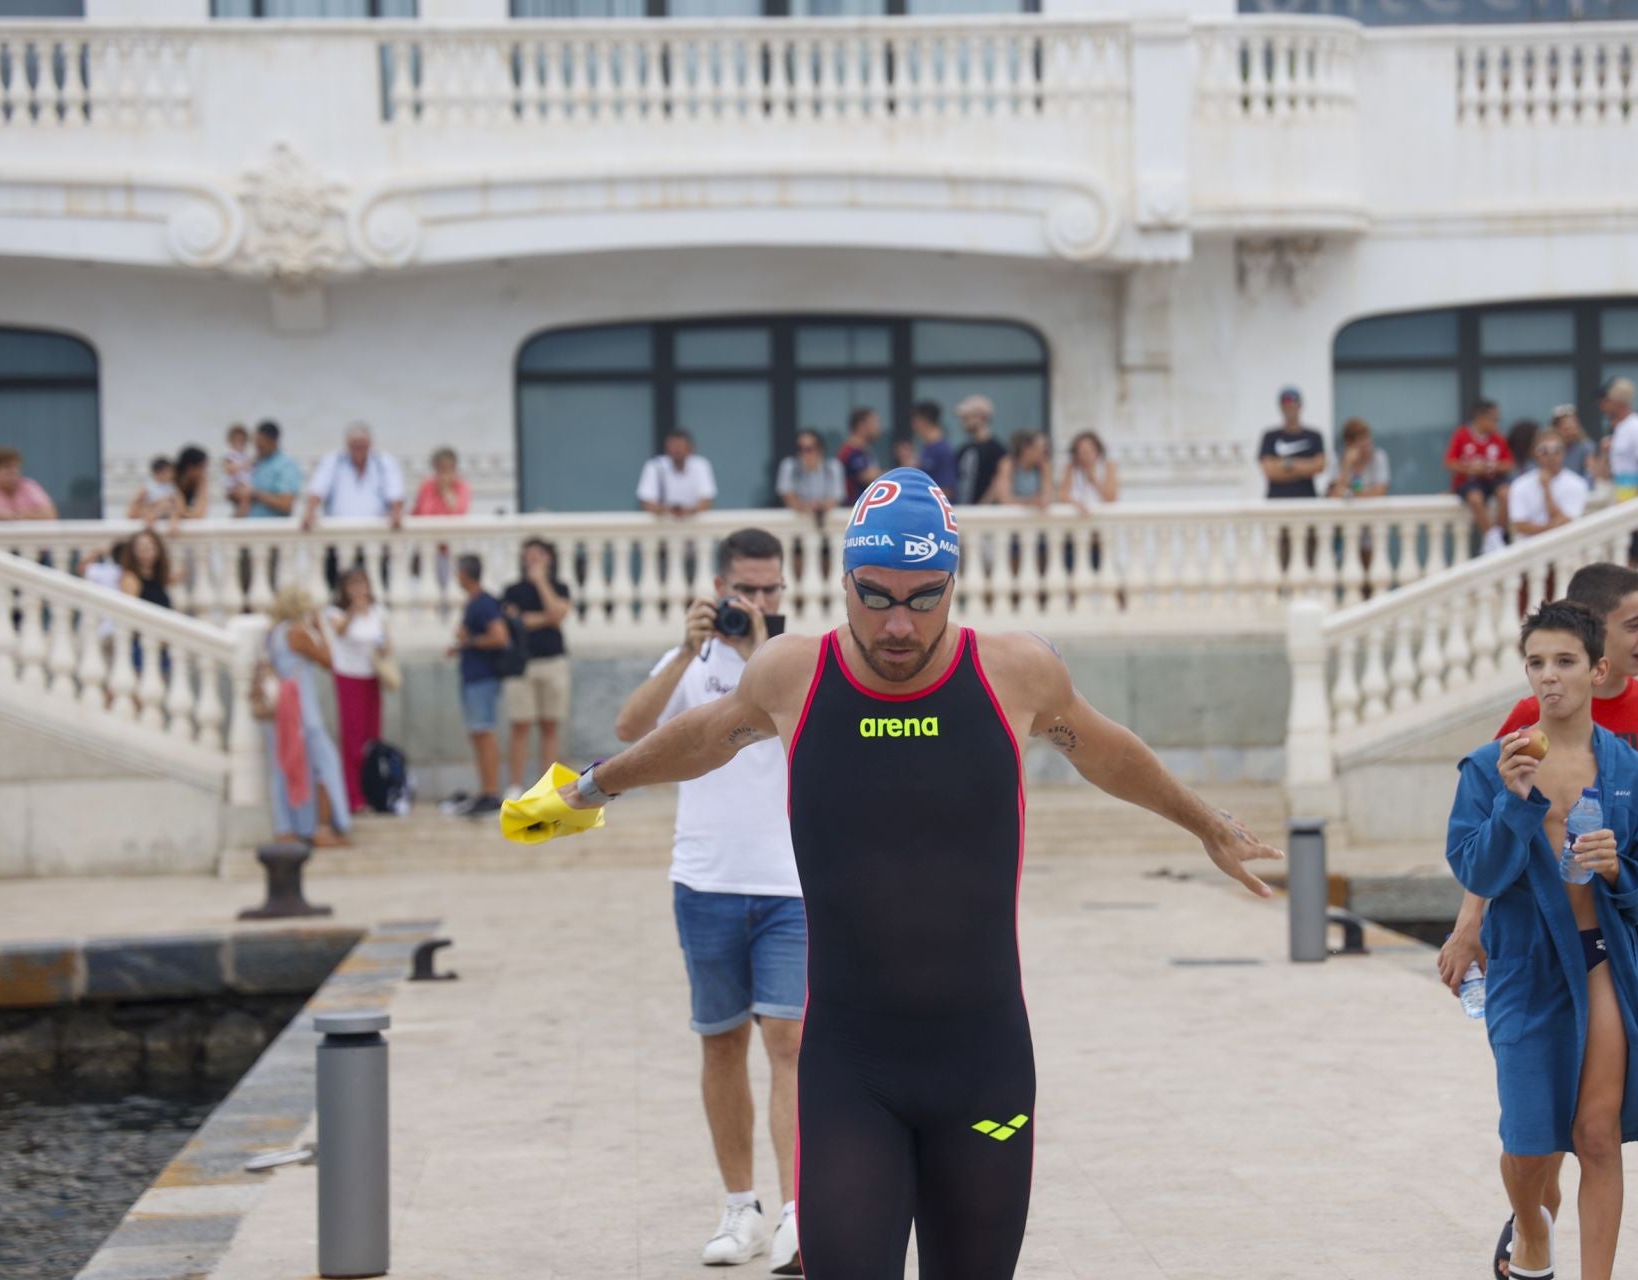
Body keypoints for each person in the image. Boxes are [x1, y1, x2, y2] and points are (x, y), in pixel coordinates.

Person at [510, 467, 1282, 1280]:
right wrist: (587, 789)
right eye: (875, 596)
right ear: (843, 581)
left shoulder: (1015, 672)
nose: (899, 624)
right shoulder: (793, 673)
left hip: (984, 1073)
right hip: (850, 1073)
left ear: (954, 583)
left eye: (924, 597)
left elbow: (1108, 752)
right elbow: (701, 738)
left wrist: (1205, 823)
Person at [1441, 564, 1638, 1280]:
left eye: (1564, 662)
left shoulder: (1636, 777)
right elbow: (1477, 871)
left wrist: (1618, 869)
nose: (1548, 677)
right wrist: (1514, 803)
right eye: (1536, 663)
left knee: (1597, 1135)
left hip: (1603, 961)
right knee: (1528, 1142)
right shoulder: (1490, 767)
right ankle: (1531, 1225)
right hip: (1526, 964)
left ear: (1597, 671)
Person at [612, 527, 804, 1272]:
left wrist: (759, 650)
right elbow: (630, 732)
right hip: (705, 879)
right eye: (744, 590)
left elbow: (813, 733)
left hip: (788, 882)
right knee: (721, 1042)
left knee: (789, 1042)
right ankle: (740, 1208)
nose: (756, 600)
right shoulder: (688, 661)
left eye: (769, 589)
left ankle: (797, 1213)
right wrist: (687, 651)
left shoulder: (794, 660)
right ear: (719, 589)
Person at [257, 584, 351, 848]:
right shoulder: (297, 633)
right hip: (303, 713)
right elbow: (329, 660)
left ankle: (287, 828)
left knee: (284, 769)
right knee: (325, 765)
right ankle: (325, 828)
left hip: (279, 712)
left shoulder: (272, 634)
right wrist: (320, 629)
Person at [501, 538, 572, 799]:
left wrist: (542, 583)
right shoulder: (512, 590)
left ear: (549, 559)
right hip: (522, 664)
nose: (532, 561)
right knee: (520, 724)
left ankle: (547, 786)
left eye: (538, 556)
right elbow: (515, 622)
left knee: (550, 724)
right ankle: (515, 785)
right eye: (528, 556)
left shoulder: (560, 587)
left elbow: (559, 613)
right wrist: (547, 618)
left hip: (553, 661)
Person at [448, 553, 511, 819]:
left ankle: (491, 791)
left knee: (484, 732)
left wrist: (470, 642)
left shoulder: (483, 602)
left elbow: (500, 637)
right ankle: (486, 789)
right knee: (478, 732)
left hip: (482, 677)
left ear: (464, 574)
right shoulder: (476, 601)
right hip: (475, 676)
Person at [324, 565, 390, 816]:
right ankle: (352, 795)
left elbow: (386, 643)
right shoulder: (336, 612)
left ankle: (372, 790)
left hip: (372, 676)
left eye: (362, 583)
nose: (359, 589)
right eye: (353, 584)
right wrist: (354, 610)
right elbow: (340, 631)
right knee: (352, 737)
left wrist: (384, 648)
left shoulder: (378, 612)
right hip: (348, 677)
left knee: (371, 736)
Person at [303, 422, 406, 530]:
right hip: (338, 531)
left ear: (370, 444)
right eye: (355, 445)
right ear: (347, 444)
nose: (359, 448)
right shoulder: (333, 461)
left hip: (376, 532)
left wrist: (396, 512)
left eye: (362, 445)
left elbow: (395, 492)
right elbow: (318, 488)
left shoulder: (384, 462)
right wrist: (310, 511)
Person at [1444, 399, 1514, 548]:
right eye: (1493, 419)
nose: (1496, 423)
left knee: (1506, 494)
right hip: (1469, 481)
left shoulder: (1498, 438)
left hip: (1493, 479)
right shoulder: (1461, 435)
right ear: (1480, 418)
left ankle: (1498, 534)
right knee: (1475, 498)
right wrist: (1470, 469)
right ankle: (1490, 537)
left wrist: (1494, 466)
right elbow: (1449, 462)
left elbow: (1509, 464)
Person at [1507, 428, 1591, 539]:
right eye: (1544, 451)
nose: (1551, 456)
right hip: (1530, 546)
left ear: (1564, 452)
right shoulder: (1519, 485)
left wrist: (1547, 489)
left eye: (1556, 450)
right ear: (1535, 453)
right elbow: (1520, 525)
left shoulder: (1577, 484)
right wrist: (1550, 529)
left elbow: (1567, 522)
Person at [1259, 385, 1327, 500]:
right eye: (1286, 405)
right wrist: (1305, 467)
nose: (1290, 408)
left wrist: (1284, 464)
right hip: (1276, 502)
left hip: (1307, 501)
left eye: (1293, 403)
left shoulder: (1314, 436)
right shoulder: (1270, 437)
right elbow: (1269, 471)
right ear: (1281, 407)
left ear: (1300, 406)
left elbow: (1319, 466)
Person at [1599, 378, 1638, 503]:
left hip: (1636, 498)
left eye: (1608, 401)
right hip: (1621, 495)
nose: (1605, 405)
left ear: (1618, 402)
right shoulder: (1619, 427)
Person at [639, 428, 717, 517]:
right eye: (673, 446)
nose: (676, 450)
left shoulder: (701, 465)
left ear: (690, 448)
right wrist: (669, 510)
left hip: (694, 523)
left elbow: (707, 500)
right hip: (662, 523)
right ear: (666, 449)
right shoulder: (655, 466)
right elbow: (646, 502)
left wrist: (688, 511)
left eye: (680, 446)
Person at [234, 421, 302, 519]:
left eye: (261, 442)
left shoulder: (286, 465)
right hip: (249, 524)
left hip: (272, 526)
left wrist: (256, 494)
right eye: (256, 442)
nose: (257, 447)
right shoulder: (257, 463)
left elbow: (286, 504)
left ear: (273, 441)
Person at [955, 395, 1009, 506]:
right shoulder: (964, 449)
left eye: (966, 417)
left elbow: (999, 482)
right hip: (963, 510)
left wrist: (982, 506)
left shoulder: (997, 450)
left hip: (985, 512)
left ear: (981, 417)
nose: (963, 422)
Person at [777, 429, 845, 517]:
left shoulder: (833, 467)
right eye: (799, 449)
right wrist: (806, 507)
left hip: (825, 519)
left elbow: (836, 497)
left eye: (808, 449)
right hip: (796, 519)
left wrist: (819, 506)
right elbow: (787, 495)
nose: (803, 453)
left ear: (820, 449)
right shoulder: (789, 466)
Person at [0, 447, 57, 520]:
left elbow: (50, 514)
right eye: (7, 467)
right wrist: (0, 516)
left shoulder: (28, 486)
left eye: (16, 467)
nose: (13, 472)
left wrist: (16, 515)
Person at [1059, 430, 1119, 510]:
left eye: (1088, 452)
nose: (1085, 457)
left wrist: (1094, 480)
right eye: (1081, 452)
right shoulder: (1071, 468)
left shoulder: (1108, 466)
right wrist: (1076, 503)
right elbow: (1062, 495)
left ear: (1098, 452)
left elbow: (1111, 498)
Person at [119, 528, 176, 611]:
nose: (146, 552)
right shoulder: (130, 579)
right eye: (141, 548)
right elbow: (129, 610)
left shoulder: (156, 577)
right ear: (133, 551)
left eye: (150, 547)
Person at [912, 401, 958, 500]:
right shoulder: (927, 448)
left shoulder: (943, 450)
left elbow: (947, 491)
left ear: (922, 421)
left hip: (935, 507)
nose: (913, 426)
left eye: (915, 421)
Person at [838, 408, 883, 503]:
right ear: (861, 426)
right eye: (874, 423)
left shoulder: (865, 450)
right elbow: (868, 477)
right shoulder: (850, 451)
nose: (878, 427)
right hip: (853, 507)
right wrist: (899, 473)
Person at [413, 447, 472, 516]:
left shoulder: (462, 485)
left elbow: (459, 511)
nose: (445, 473)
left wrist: (446, 489)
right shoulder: (427, 485)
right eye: (442, 468)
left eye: (449, 468)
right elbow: (424, 512)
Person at [1009, 430, 1053, 508]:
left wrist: (1043, 499)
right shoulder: (1009, 465)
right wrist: (1030, 501)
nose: (1044, 452)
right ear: (1026, 448)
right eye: (1041, 448)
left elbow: (1048, 495)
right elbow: (1005, 498)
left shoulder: (1044, 466)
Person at [128, 457, 178, 524]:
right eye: (168, 471)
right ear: (159, 472)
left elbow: (177, 506)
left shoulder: (171, 487)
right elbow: (135, 503)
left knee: (168, 504)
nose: (171, 474)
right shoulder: (147, 487)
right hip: (150, 512)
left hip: (165, 514)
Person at [167, 446, 210, 522]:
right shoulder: (169, 477)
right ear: (190, 467)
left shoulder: (201, 480)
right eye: (203, 467)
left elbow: (200, 513)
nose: (204, 472)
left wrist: (183, 513)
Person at [1553, 405, 1596, 481]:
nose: (1571, 433)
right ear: (1557, 429)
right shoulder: (1551, 448)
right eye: (1566, 429)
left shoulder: (1586, 446)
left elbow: (1591, 472)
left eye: (1574, 428)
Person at [223, 423, 253, 493]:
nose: (239, 443)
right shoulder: (230, 454)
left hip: (245, 483)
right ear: (231, 441)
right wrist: (243, 466)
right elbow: (228, 468)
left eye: (242, 441)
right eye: (236, 440)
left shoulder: (246, 456)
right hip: (234, 483)